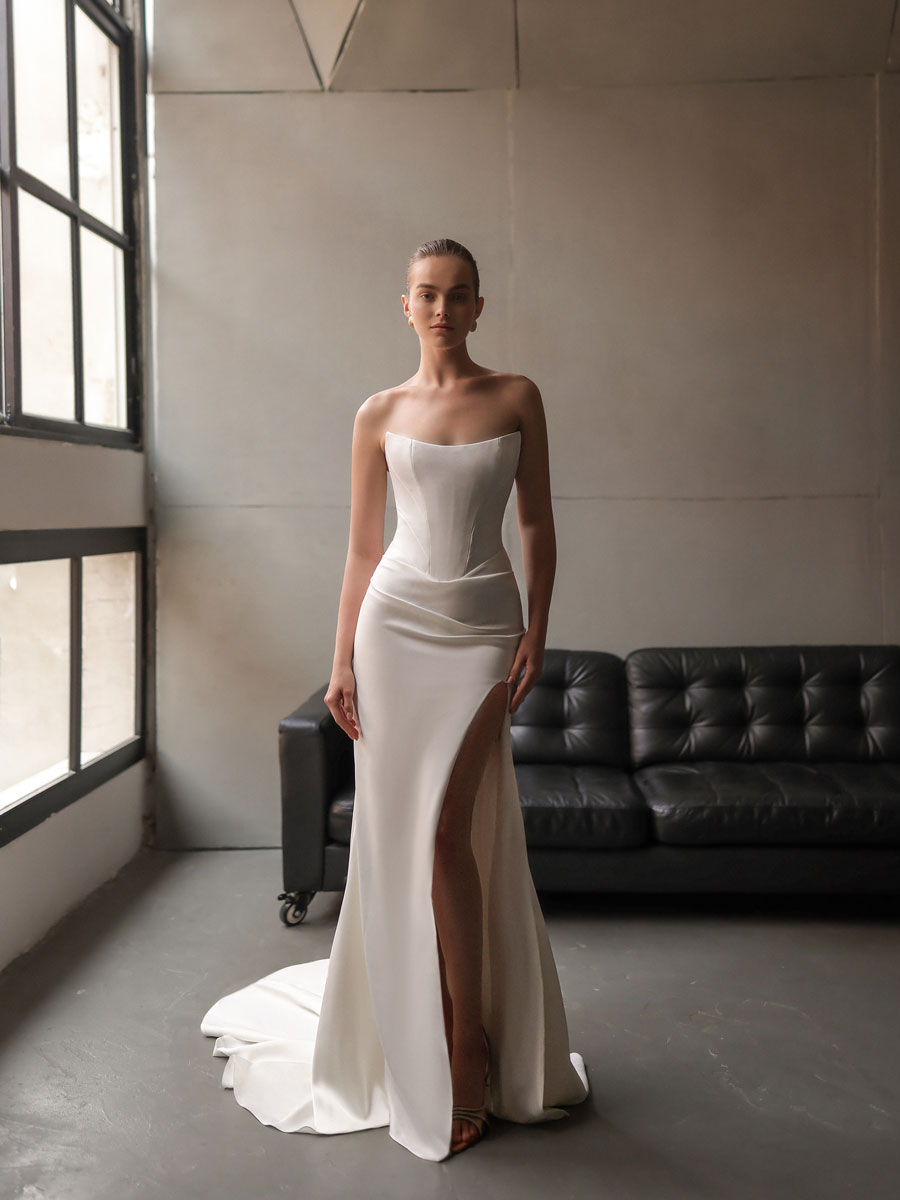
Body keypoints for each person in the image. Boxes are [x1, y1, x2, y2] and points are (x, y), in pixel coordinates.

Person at [200, 238, 589, 1162]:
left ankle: (463, 1047)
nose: (443, 310)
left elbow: (536, 520)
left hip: (485, 630)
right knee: (408, 839)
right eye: (427, 295)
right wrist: (340, 662)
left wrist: (537, 629)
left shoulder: (517, 396)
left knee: (450, 833)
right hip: (394, 629)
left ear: (480, 306)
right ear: (404, 306)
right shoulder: (378, 413)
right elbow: (362, 551)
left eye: (459, 296)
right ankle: (444, 1034)